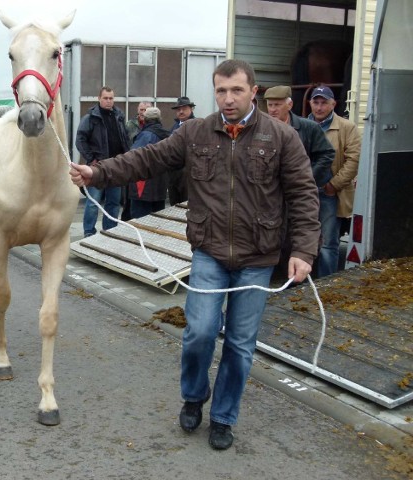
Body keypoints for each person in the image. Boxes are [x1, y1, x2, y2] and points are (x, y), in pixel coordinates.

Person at [69, 59, 320, 451]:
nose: (228, 98)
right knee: (200, 332)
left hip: (259, 257)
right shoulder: (197, 133)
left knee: (239, 343)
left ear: (253, 91)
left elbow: (305, 195)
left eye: (236, 90)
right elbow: (147, 158)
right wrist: (97, 173)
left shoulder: (281, 138)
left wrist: (304, 250)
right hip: (209, 252)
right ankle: (193, 395)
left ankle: (223, 417)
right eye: (221, 90)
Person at [264, 86, 335, 278]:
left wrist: (308, 179)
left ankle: (303, 278)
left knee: (302, 235)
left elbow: (327, 154)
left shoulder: (308, 128)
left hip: (299, 195)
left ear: (290, 104)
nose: (272, 109)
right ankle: (275, 276)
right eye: (269, 105)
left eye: (277, 105)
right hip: (272, 196)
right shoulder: (261, 129)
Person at [308, 85, 361, 275]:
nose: (319, 107)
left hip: (328, 193)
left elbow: (354, 160)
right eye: (316, 102)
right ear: (310, 103)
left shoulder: (347, 128)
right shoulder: (302, 126)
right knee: (300, 239)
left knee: (328, 243)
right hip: (304, 193)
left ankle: (326, 284)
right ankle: (298, 283)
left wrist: (333, 185)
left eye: (324, 103)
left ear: (333, 104)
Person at [75, 86, 130, 236]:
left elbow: (124, 137)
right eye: (105, 98)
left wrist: (127, 157)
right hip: (97, 168)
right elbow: (80, 140)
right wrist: (91, 159)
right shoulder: (90, 118)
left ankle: (109, 233)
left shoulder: (118, 116)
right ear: (99, 99)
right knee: (93, 202)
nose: (108, 101)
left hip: (116, 167)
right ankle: (89, 234)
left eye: (111, 98)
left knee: (113, 203)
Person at [128, 107, 169, 218]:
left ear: (145, 120)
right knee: (157, 221)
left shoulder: (145, 135)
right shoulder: (167, 135)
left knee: (140, 220)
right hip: (160, 187)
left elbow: (134, 158)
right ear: (159, 119)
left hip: (143, 187)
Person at [167, 96, 196, 206]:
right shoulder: (174, 127)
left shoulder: (197, 125)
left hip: (188, 173)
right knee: (174, 205)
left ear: (191, 109)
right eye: (178, 109)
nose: (181, 111)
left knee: (187, 206)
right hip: (173, 173)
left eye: (184, 108)